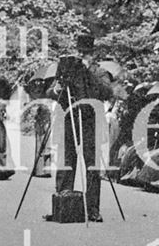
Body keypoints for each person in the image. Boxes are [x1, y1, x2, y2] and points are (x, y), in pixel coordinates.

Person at [45, 34, 113, 222]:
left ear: (93, 55)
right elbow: (50, 91)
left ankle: (92, 209)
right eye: (80, 52)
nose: (83, 56)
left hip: (90, 123)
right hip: (69, 122)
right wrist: (57, 89)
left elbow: (107, 92)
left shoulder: (99, 72)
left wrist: (87, 73)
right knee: (65, 164)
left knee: (92, 167)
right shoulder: (69, 70)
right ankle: (62, 206)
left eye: (86, 53)